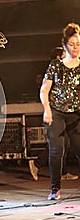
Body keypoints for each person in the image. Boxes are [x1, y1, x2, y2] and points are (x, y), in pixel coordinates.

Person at [40, 23, 80, 200]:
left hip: (76, 114)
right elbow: (44, 90)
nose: (76, 47)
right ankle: (55, 189)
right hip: (56, 112)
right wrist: (47, 110)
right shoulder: (56, 65)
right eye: (72, 44)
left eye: (78, 44)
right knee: (57, 151)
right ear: (65, 45)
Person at [28, 46, 78, 182]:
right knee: (59, 144)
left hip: (66, 112)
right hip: (55, 113)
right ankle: (37, 163)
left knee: (65, 143)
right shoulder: (53, 72)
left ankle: (62, 172)